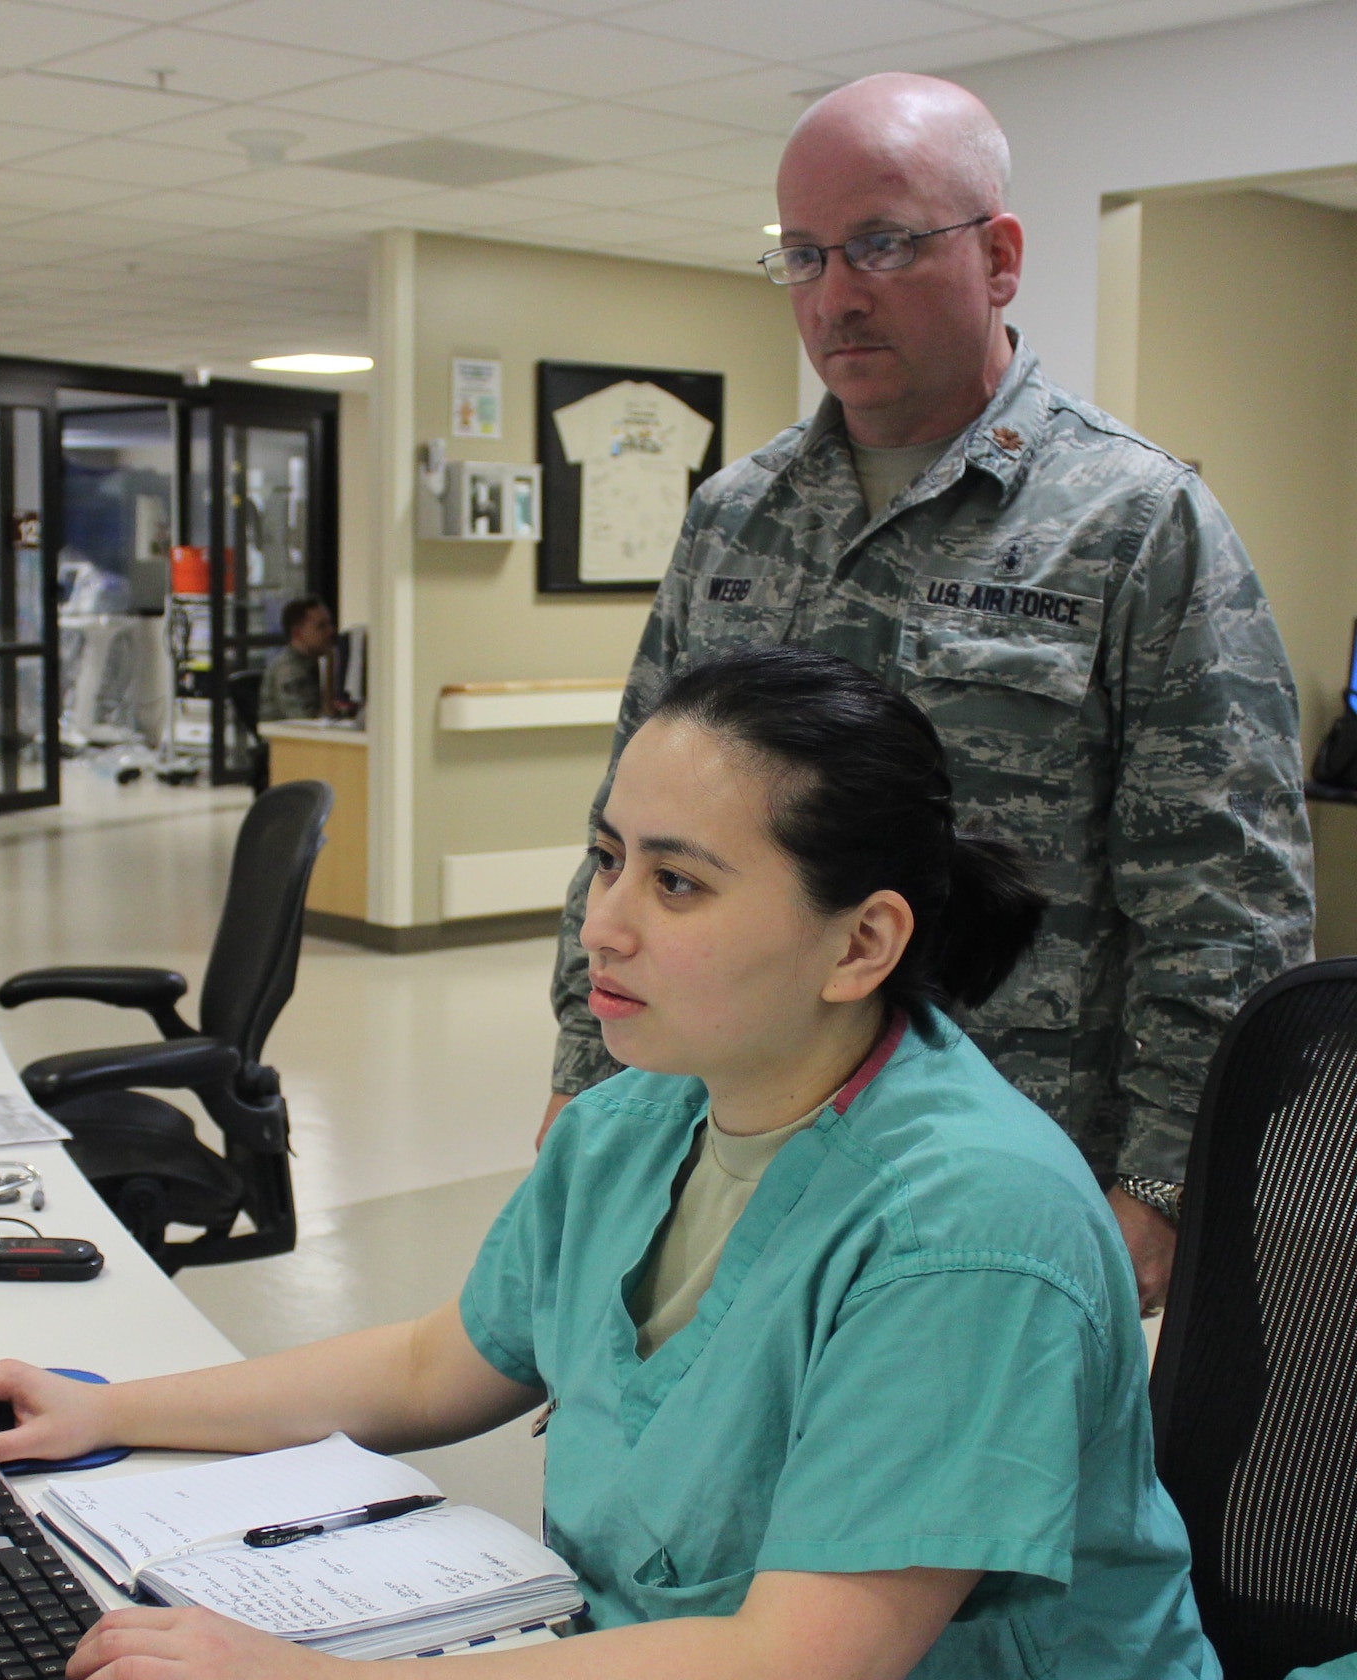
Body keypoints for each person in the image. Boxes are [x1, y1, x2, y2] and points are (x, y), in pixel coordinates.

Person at [0, 648, 1230, 1680]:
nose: (605, 919)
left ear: (862, 941)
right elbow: (433, 1366)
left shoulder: (970, 1228)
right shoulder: (639, 1120)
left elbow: (797, 1665)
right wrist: (106, 1404)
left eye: (679, 883)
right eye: (606, 857)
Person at [544, 72, 1313, 1317]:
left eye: (883, 243)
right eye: (800, 255)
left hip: (1006, 1178)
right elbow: (626, 831)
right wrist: (587, 1082)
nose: (834, 293)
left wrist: (1163, 1186)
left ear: (998, 256)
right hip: (731, 1148)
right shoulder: (735, 520)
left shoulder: (1132, 523)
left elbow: (1223, 900)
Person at [259, 596, 335, 723]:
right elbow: (306, 721)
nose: (331, 631)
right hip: (287, 741)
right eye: (321, 626)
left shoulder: (311, 663)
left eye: (330, 624)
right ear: (297, 633)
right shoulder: (289, 670)